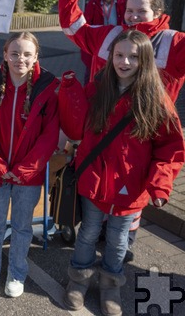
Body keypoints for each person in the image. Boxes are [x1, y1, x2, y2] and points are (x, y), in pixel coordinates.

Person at [59, 30, 184, 315]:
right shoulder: (97, 88)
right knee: (88, 233)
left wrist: (160, 186)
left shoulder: (156, 98)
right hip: (95, 181)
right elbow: (76, 126)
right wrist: (68, 91)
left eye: (133, 56)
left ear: (146, 60)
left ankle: (110, 285)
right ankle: (78, 279)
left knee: (117, 240)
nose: (124, 61)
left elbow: (170, 149)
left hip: (131, 187)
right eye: (119, 54)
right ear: (110, 56)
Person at [0, 32, 59, 298]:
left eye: (26, 54)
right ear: (5, 55)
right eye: (15, 53)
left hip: (27, 176)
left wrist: (25, 169)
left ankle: (17, 271)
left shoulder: (47, 94)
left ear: (35, 58)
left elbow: (49, 136)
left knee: (22, 227)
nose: (20, 58)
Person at [59, 0, 185, 102]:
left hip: (148, 121)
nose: (134, 17)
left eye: (141, 11)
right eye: (129, 11)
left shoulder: (176, 42)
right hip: (102, 116)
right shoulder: (109, 34)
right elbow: (73, 27)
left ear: (158, 12)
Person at [81, 0, 127, 82]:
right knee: (91, 72)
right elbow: (86, 23)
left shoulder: (122, 2)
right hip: (97, 41)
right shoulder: (93, 3)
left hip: (116, 40)